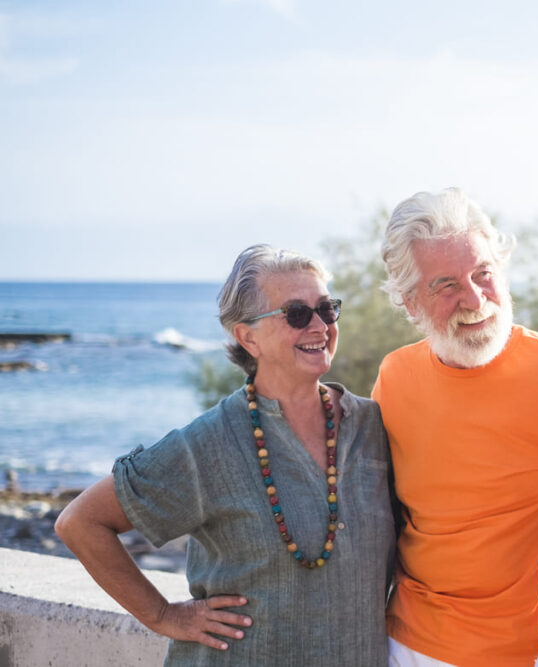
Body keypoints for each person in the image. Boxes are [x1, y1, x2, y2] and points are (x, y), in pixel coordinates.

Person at [56, 244, 394, 665]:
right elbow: (81, 522)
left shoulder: (373, 427)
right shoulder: (210, 443)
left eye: (326, 309)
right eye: (296, 313)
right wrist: (162, 615)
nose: (320, 326)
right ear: (247, 336)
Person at [372, 188, 538, 666]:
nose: (474, 299)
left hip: (531, 654)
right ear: (411, 303)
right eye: (446, 286)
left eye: (483, 275)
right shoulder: (394, 377)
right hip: (408, 646)